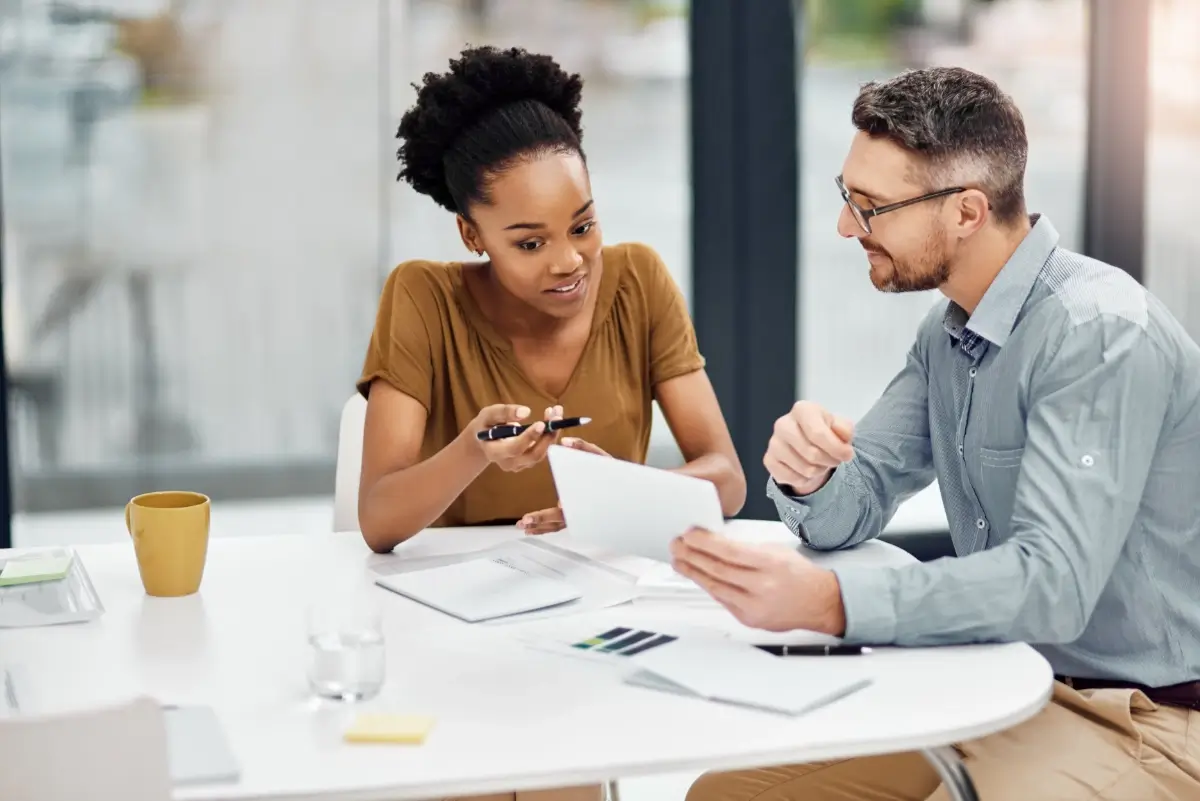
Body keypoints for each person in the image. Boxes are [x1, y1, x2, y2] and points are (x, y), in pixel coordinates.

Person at [672, 66, 1200, 800]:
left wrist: (830, 602)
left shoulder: (1099, 334)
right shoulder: (950, 332)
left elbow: (1053, 585)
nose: (845, 226)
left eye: (871, 206)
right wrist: (809, 472)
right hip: (1001, 680)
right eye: (846, 196)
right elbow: (852, 505)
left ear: (967, 211)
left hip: (1150, 719)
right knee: (728, 793)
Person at [357, 47, 744, 556]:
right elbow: (378, 522)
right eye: (530, 243)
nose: (570, 262)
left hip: (603, 585)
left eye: (582, 227)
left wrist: (622, 495)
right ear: (472, 235)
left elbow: (728, 480)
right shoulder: (423, 298)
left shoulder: (639, 281)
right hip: (461, 594)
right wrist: (476, 450)